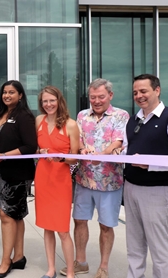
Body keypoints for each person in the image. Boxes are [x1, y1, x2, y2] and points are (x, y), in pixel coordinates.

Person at [60, 78, 129, 278]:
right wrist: (82, 149)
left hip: (110, 182)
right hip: (84, 179)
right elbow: (77, 140)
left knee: (106, 225)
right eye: (93, 97)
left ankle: (104, 266)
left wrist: (102, 155)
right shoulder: (82, 116)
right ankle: (81, 262)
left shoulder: (120, 115)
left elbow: (118, 142)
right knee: (79, 221)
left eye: (101, 97)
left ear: (110, 96)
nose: (97, 101)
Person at [0, 80, 37, 278]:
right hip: (1, 173)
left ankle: (6, 262)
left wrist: (5, 155)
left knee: (6, 216)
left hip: (18, 173)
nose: (7, 96)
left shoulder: (24, 117)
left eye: (12, 92)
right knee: (15, 215)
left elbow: (30, 146)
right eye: (5, 92)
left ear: (20, 95)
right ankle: (19, 257)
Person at [121, 74, 168, 278]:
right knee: (134, 246)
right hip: (131, 188)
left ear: (157, 91)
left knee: (159, 249)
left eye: (143, 91)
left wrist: (150, 165)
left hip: (157, 192)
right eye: (135, 92)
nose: (139, 96)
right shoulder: (133, 121)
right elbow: (126, 150)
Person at [35, 86, 80, 278]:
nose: (48, 104)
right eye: (45, 101)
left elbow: (75, 158)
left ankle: (70, 272)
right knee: (47, 227)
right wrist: (40, 153)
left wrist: (60, 157)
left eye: (52, 100)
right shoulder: (38, 120)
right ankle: (51, 269)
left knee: (62, 229)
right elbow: (36, 150)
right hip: (43, 177)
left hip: (60, 180)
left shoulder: (71, 124)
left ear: (59, 101)